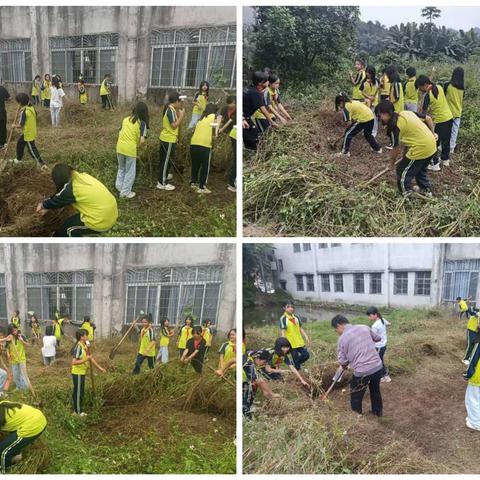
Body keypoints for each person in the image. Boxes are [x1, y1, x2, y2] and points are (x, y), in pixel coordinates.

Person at [376, 99, 437, 198]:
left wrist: (391, 164)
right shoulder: (406, 113)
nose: (380, 118)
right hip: (431, 145)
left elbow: (396, 148)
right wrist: (433, 134)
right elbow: (428, 118)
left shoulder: (394, 127)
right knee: (420, 169)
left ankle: (406, 194)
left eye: (380, 115)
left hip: (421, 148)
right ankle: (426, 190)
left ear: (386, 114)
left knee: (402, 170)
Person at [37, 163, 118, 237]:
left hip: (101, 220)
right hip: (109, 211)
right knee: (70, 223)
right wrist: (47, 205)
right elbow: (61, 194)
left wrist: (43, 205)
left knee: (67, 230)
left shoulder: (73, 189)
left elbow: (57, 200)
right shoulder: (82, 176)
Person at [332, 315, 383, 416]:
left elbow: (342, 361)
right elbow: (377, 338)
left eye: (336, 329)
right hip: (377, 366)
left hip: (362, 372)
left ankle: (357, 417)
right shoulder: (364, 327)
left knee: (356, 395)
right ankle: (378, 412)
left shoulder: (342, 339)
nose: (337, 332)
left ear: (339, 325)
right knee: (375, 390)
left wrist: (345, 363)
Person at [415, 75, 453, 171]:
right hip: (449, 117)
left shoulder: (427, 95)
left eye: (420, 88)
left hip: (439, 121)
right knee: (446, 140)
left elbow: (423, 113)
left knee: (434, 141)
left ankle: (435, 164)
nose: (420, 90)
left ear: (424, 85)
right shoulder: (439, 87)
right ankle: (445, 159)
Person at [0, 401, 47, 473]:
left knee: (3, 451)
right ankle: (17, 455)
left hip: (34, 425)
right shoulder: (2, 403)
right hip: (36, 417)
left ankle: (2, 471)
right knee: (8, 442)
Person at [116, 102, 149, 199]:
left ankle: (119, 186)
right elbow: (142, 141)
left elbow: (120, 132)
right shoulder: (142, 123)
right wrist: (138, 147)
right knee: (130, 171)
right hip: (130, 149)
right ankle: (125, 193)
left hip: (119, 147)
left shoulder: (125, 119)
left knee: (121, 168)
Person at [334, 92, 382, 158]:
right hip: (371, 116)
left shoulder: (346, 107)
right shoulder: (353, 102)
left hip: (363, 119)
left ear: (341, 102)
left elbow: (349, 122)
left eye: (339, 105)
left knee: (348, 134)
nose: (340, 107)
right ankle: (378, 149)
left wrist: (347, 131)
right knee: (368, 134)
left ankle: (345, 153)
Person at [71, 329, 106, 415]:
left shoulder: (85, 345)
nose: (88, 336)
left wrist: (99, 367)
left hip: (82, 372)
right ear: (82, 337)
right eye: (86, 335)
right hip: (77, 373)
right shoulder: (78, 347)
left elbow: (90, 357)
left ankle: (76, 410)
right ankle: (78, 413)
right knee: (79, 392)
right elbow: (74, 362)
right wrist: (86, 359)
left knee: (79, 391)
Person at [10, 93, 47, 168]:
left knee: (32, 149)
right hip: (31, 129)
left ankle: (42, 164)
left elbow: (21, 125)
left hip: (28, 133)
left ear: (20, 103)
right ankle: (18, 159)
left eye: (18, 103)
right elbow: (34, 115)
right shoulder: (31, 107)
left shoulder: (24, 111)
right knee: (20, 143)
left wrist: (14, 125)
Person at [243, 71, 277, 150]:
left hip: (244, 117)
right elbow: (263, 109)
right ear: (260, 83)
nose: (268, 82)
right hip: (244, 119)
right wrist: (272, 122)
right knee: (254, 136)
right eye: (267, 81)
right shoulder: (255, 94)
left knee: (251, 135)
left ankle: (250, 150)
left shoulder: (249, 89)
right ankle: (253, 153)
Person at [157, 92, 185, 191]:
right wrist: (181, 116)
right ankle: (162, 183)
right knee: (166, 161)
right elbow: (174, 126)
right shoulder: (170, 110)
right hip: (168, 139)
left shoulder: (171, 109)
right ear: (177, 101)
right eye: (180, 102)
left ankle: (163, 175)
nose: (180, 104)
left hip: (169, 138)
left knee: (165, 160)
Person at [242, 349, 280, 418]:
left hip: (243, 376)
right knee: (249, 388)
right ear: (258, 359)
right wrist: (272, 394)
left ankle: (248, 405)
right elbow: (260, 381)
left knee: (254, 383)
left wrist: (265, 391)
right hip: (242, 380)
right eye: (264, 362)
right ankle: (246, 415)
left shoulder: (250, 354)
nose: (264, 364)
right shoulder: (250, 364)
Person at [190, 103, 218, 194]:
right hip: (205, 145)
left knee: (195, 164)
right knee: (205, 167)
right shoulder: (214, 116)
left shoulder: (201, 118)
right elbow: (214, 133)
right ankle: (202, 187)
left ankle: (193, 182)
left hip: (194, 144)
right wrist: (214, 142)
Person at [279, 302, 310, 371]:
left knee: (306, 355)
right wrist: (283, 343)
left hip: (299, 341)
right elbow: (283, 331)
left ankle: (294, 364)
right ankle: (297, 370)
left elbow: (300, 328)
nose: (291, 308)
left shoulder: (296, 317)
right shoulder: (283, 318)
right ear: (284, 308)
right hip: (290, 343)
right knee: (295, 357)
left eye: (292, 307)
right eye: (288, 307)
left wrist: (306, 336)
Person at [217, 95, 237, 192]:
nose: (231, 105)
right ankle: (231, 181)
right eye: (230, 103)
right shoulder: (225, 109)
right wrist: (217, 128)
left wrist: (221, 129)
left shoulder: (237, 109)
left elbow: (230, 121)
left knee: (232, 154)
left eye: (233, 103)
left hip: (231, 130)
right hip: (230, 133)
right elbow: (220, 118)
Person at [0, 325, 29, 391]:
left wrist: (22, 341)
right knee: (16, 376)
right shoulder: (10, 338)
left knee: (23, 375)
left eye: (15, 330)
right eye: (12, 331)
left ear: (17, 328)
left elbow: (28, 345)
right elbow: (7, 347)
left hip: (21, 359)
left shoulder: (22, 336)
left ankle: (25, 389)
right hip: (13, 360)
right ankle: (18, 387)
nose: (14, 332)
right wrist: (8, 354)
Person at [367, 306, 392, 383]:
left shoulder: (374, 326)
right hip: (383, 344)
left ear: (375, 315)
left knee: (379, 361)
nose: (369, 317)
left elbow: (372, 338)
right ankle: (382, 374)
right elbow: (389, 324)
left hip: (379, 346)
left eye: (370, 316)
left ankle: (385, 376)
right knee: (379, 360)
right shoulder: (382, 320)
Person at [444, 67, 465, 154]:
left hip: (447, 112)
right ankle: (451, 148)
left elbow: (444, 96)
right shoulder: (462, 89)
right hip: (457, 113)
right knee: (454, 132)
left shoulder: (447, 85)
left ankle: (442, 147)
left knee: (445, 131)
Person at [360, 66, 380, 137]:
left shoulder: (377, 81)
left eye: (369, 73)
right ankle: (365, 130)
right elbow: (361, 91)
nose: (368, 74)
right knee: (366, 116)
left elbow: (379, 89)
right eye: (367, 72)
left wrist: (374, 98)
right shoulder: (364, 81)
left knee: (374, 117)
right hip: (366, 102)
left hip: (374, 102)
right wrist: (368, 97)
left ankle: (374, 132)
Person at [0, 81, 10, 149]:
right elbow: (9, 98)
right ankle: (2, 143)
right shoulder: (2, 88)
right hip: (1, 112)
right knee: (2, 127)